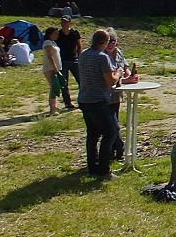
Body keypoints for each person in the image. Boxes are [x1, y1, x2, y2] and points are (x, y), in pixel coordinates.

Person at [77, 29, 123, 178]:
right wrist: (118, 73)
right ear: (103, 42)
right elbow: (110, 80)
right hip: (98, 100)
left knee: (93, 134)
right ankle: (103, 169)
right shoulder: (101, 57)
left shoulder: (84, 54)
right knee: (110, 132)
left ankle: (93, 167)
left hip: (84, 99)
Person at [105, 30, 130, 160]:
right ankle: (119, 149)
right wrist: (122, 77)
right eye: (108, 41)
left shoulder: (118, 52)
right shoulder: (102, 55)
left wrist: (128, 73)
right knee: (112, 125)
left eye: (113, 41)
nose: (110, 44)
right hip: (106, 94)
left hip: (117, 94)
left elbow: (125, 66)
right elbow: (110, 77)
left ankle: (114, 150)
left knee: (115, 120)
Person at [56, 16, 81, 110]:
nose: (64, 23)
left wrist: (79, 56)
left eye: (66, 21)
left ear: (70, 22)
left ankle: (81, 100)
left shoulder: (74, 33)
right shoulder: (58, 33)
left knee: (80, 80)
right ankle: (67, 102)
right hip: (62, 61)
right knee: (64, 83)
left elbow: (79, 45)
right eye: (62, 21)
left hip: (74, 59)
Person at [40, 27, 63, 115]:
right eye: (55, 34)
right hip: (50, 68)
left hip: (55, 68)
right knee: (53, 87)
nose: (56, 35)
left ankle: (54, 105)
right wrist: (54, 67)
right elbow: (50, 56)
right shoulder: (47, 42)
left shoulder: (54, 43)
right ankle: (52, 109)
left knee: (56, 87)